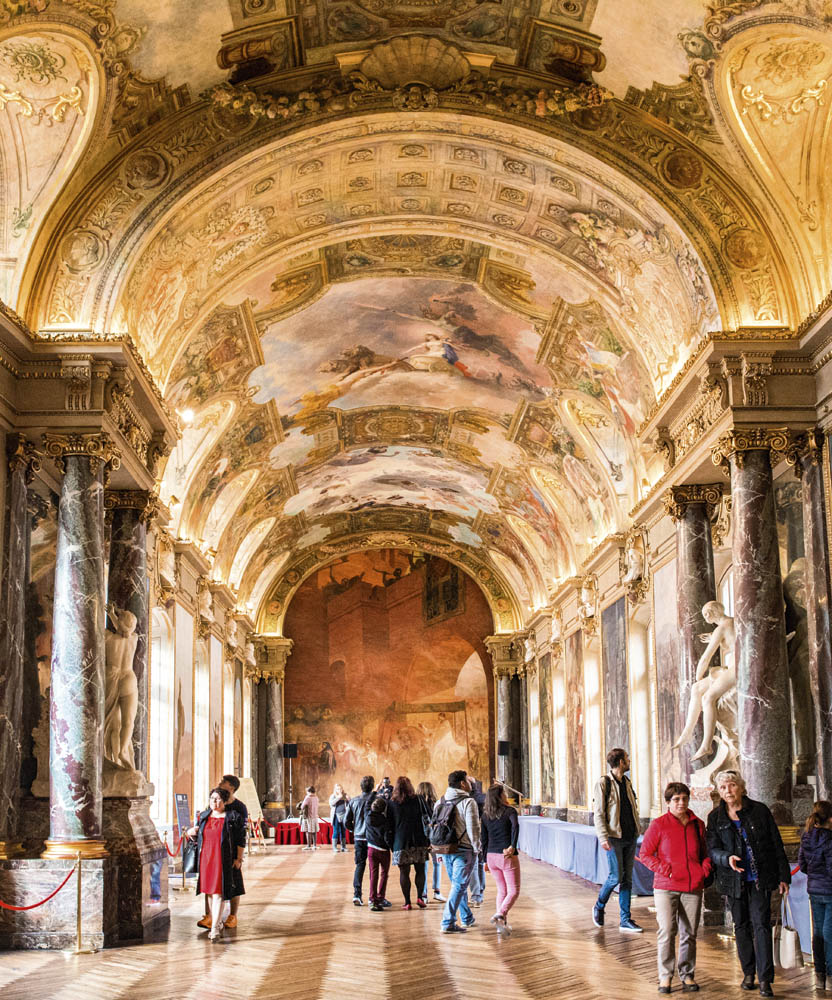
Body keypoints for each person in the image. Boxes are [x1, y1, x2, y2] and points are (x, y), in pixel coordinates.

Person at [706, 770, 790, 998]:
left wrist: (783, 876)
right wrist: (726, 858)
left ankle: (765, 979)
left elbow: (775, 843)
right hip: (733, 880)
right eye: (723, 788)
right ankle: (748, 973)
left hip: (759, 878)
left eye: (732, 785)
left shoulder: (760, 811)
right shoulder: (715, 818)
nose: (728, 791)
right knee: (741, 926)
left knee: (761, 925)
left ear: (741, 787)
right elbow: (712, 849)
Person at [637, 781, 713, 994]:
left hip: (692, 886)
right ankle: (665, 977)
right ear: (668, 802)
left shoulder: (698, 824)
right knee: (667, 931)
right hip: (666, 886)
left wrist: (703, 869)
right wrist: (667, 870)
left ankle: (687, 975)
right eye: (676, 799)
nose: (681, 803)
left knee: (689, 933)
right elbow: (645, 854)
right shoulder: (659, 825)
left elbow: (705, 853)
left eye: (684, 799)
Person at [592, 747, 643, 933]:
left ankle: (625, 919)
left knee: (627, 879)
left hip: (630, 836)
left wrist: (638, 829)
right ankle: (599, 905)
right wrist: (603, 837)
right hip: (614, 838)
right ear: (621, 762)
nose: (629, 761)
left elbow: (632, 807)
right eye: (627, 758)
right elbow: (598, 813)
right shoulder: (604, 783)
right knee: (615, 877)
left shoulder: (627, 782)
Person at [185, 787, 246, 941]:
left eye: (218, 798)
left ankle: (214, 929)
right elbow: (198, 836)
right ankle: (216, 922)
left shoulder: (233, 817)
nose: (215, 801)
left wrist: (238, 859)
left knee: (218, 893)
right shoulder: (205, 816)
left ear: (225, 801)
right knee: (210, 893)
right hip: (206, 859)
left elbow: (240, 839)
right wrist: (191, 832)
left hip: (223, 859)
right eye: (212, 798)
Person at [196, 774, 248, 930]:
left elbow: (241, 834)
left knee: (234, 883)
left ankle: (232, 915)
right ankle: (209, 916)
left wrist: (239, 858)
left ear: (231, 787)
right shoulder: (212, 804)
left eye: (222, 782)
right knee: (210, 883)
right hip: (211, 852)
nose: (219, 783)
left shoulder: (239, 807)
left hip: (230, 852)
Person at [434, 769, 480, 933]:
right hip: (464, 849)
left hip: (446, 849)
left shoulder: (439, 802)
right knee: (459, 886)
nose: (471, 784)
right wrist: (477, 849)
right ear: (462, 783)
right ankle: (448, 922)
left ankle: (466, 917)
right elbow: (473, 828)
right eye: (468, 781)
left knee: (457, 885)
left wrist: (438, 853)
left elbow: (437, 830)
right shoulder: (469, 802)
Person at [799, 800, 832, 992]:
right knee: (829, 934)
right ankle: (830, 976)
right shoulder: (829, 839)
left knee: (818, 933)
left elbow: (803, 865)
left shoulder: (807, 836)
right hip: (829, 891)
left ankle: (820, 976)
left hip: (814, 890)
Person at [386, 776, 431, 909]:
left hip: (400, 842)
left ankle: (407, 902)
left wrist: (391, 844)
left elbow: (389, 826)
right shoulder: (419, 799)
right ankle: (420, 897)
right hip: (419, 840)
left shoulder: (392, 803)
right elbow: (429, 814)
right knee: (420, 870)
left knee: (404, 872)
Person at [481, 784, 520, 936]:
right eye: (504, 793)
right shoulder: (510, 811)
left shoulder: (485, 815)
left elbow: (483, 839)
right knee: (514, 891)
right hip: (506, 855)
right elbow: (515, 827)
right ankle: (500, 914)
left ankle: (500, 926)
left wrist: (484, 860)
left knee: (502, 890)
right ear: (500, 796)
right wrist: (512, 846)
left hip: (491, 856)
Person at [345, 775, 384, 906]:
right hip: (373, 838)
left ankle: (357, 894)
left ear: (361, 786)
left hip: (358, 838)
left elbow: (346, 821)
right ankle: (373, 897)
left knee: (360, 866)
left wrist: (354, 829)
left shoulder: (354, 801)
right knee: (374, 868)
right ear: (372, 786)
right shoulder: (378, 800)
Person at [418, 781, 445, 903]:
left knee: (424, 866)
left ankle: (423, 895)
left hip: (422, 839)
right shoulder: (437, 804)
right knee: (437, 864)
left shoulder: (416, 806)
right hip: (435, 839)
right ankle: (437, 892)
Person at [366, 796, 392, 912]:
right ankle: (381, 897)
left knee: (373, 874)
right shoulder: (385, 821)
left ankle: (372, 899)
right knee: (384, 874)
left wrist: (375, 791)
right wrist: (391, 847)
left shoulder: (367, 816)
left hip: (371, 849)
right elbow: (387, 837)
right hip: (383, 850)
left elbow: (367, 804)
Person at [467, 775, 486, 908]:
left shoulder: (468, 800)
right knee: (480, 864)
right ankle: (480, 892)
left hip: (472, 834)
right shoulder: (484, 798)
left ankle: (476, 895)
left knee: (473, 865)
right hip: (483, 834)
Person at [329, 783, 349, 854]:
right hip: (336, 816)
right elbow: (331, 804)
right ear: (335, 790)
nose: (339, 790)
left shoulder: (344, 795)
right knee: (336, 831)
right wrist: (338, 797)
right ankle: (334, 847)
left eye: (340, 788)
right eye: (338, 789)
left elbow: (349, 803)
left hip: (344, 815)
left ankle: (343, 847)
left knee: (343, 831)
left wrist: (348, 799)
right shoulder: (333, 796)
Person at [300, 785, 319, 851]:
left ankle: (308, 846)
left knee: (308, 831)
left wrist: (301, 803)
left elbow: (302, 807)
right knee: (314, 832)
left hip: (308, 817)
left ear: (308, 791)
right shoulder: (316, 797)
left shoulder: (307, 797)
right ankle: (315, 845)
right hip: (315, 817)